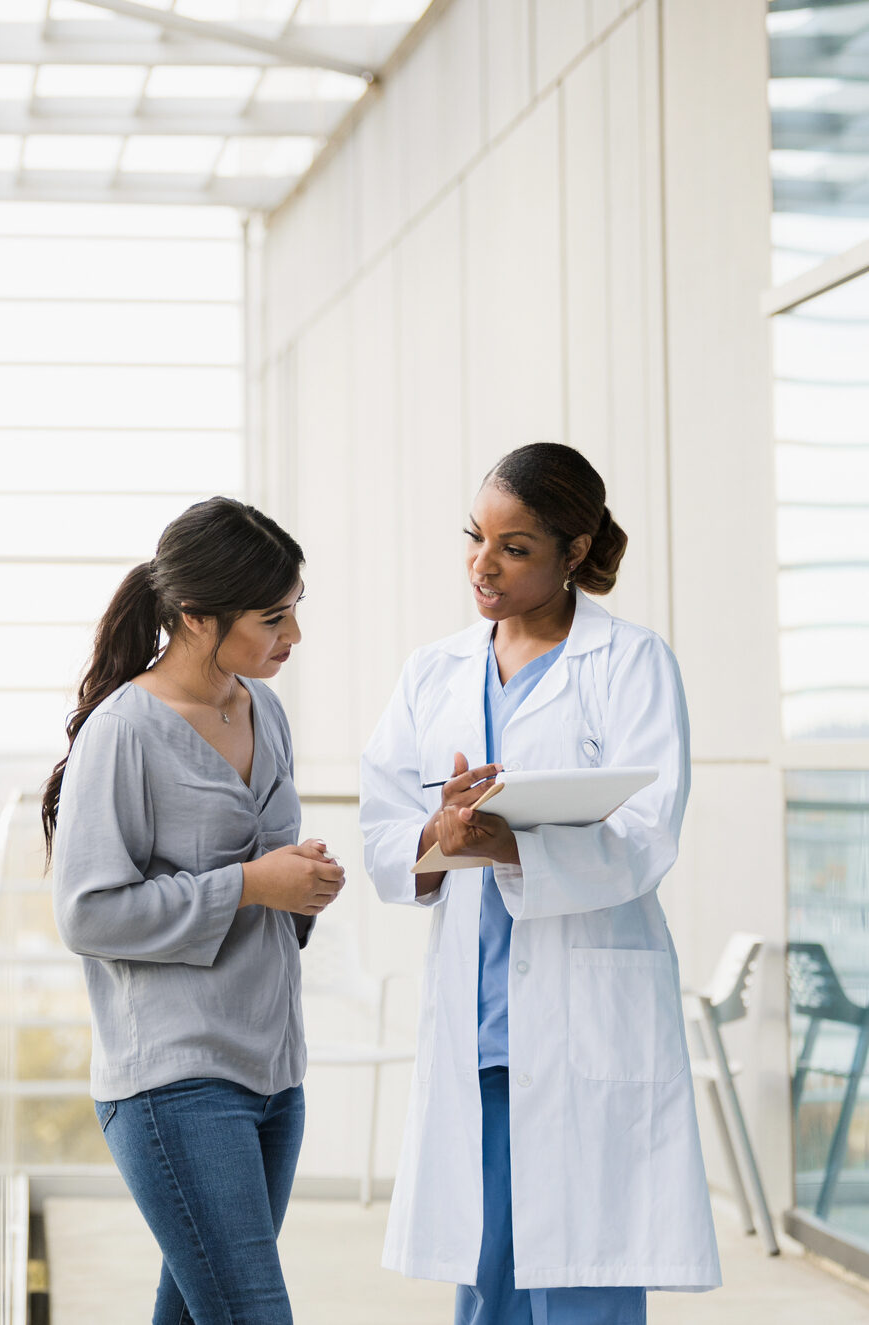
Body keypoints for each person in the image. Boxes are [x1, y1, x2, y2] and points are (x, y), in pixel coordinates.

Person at [360, 443, 720, 1323]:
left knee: (585, 1274)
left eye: (514, 548)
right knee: (488, 1278)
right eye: (475, 538)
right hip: (479, 1022)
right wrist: (437, 834)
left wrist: (512, 848)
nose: (483, 565)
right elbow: (383, 829)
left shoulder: (630, 663)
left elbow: (646, 833)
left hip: (584, 1007)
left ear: (573, 551)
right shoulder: (431, 671)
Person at [45, 496, 345, 1325]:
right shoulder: (124, 731)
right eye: (272, 617)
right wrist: (251, 884)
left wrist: (301, 887)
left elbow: (270, 881)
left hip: (274, 1071)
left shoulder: (262, 709)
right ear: (192, 616)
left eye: (294, 612)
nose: (291, 637)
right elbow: (87, 914)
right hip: (173, 1079)